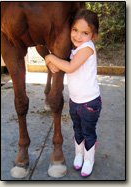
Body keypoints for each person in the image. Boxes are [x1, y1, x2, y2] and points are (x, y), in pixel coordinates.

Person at [45, 9, 102, 177]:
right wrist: (53, 63)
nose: (78, 36)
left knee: (88, 132)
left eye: (85, 33)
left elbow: (69, 67)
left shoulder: (87, 48)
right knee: (77, 130)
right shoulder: (76, 49)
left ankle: (89, 160)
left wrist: (49, 58)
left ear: (93, 36)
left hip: (90, 103)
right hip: (75, 101)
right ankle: (79, 155)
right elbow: (64, 64)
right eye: (75, 30)